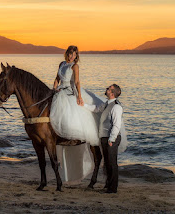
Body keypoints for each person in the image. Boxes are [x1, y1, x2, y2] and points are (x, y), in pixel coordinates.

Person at [50, 45, 103, 183]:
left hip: (69, 90)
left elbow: (77, 82)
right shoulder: (62, 64)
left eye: (73, 55)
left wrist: (79, 96)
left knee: (73, 111)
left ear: (76, 56)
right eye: (69, 54)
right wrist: (54, 88)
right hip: (60, 90)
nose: (71, 56)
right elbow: (57, 79)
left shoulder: (75, 66)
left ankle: (73, 134)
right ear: (66, 54)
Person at [82, 84, 123, 193]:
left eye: (109, 89)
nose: (106, 89)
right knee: (107, 162)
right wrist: (83, 105)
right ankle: (108, 185)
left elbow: (117, 125)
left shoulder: (116, 106)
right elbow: (96, 109)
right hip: (104, 137)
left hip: (111, 139)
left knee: (112, 163)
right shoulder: (106, 104)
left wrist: (111, 139)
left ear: (112, 93)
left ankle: (112, 188)